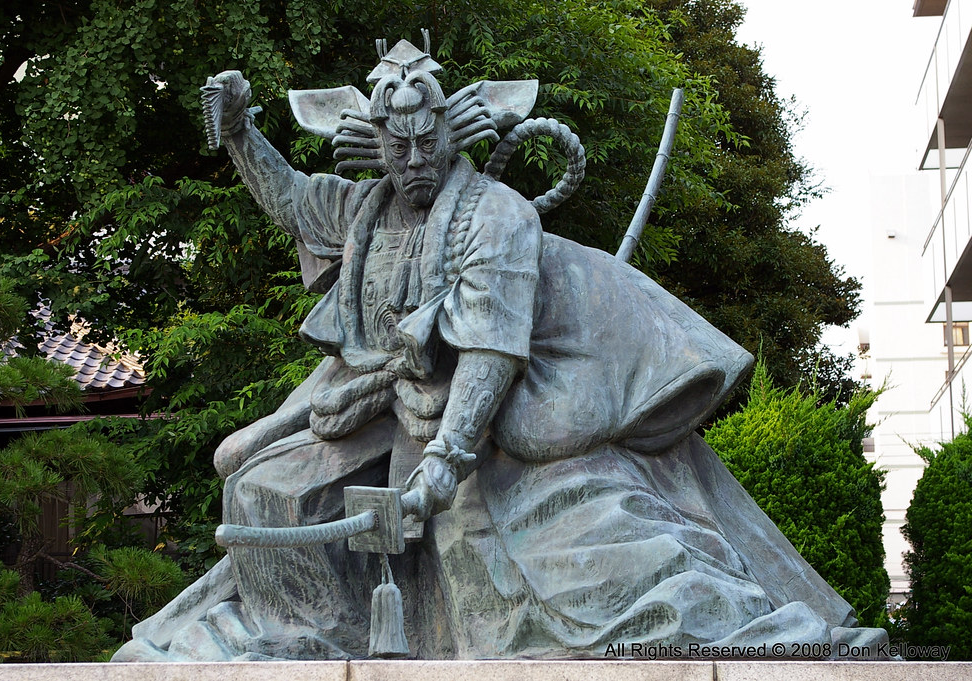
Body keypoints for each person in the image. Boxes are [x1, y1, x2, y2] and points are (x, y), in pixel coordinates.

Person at [113, 38, 888, 662]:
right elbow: (289, 197)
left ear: (450, 129)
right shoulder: (359, 207)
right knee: (254, 485)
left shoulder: (497, 216)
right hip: (372, 399)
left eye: (427, 140)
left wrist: (442, 468)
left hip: (482, 417)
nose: (414, 158)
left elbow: (490, 356)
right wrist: (243, 133)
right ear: (373, 141)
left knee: (490, 545)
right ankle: (302, 633)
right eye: (398, 143)